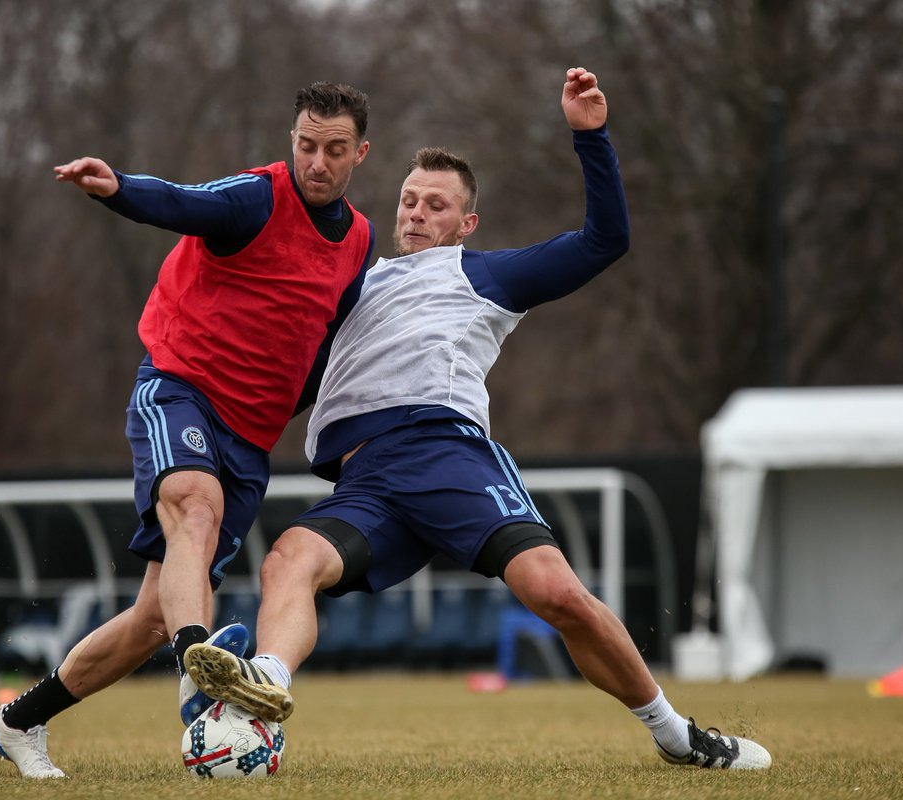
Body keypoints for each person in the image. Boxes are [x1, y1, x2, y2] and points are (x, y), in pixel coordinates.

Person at [184, 67, 771, 770]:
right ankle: (267, 690)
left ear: (466, 224)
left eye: (436, 204)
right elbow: (290, 380)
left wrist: (592, 137)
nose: (417, 212)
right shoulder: (351, 283)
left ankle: (677, 735)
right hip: (366, 480)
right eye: (408, 199)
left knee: (556, 595)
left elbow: (603, 242)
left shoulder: (482, 275)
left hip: (447, 459)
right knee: (289, 560)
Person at [0, 82, 376, 778]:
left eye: (335, 150)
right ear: (293, 143)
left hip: (250, 438)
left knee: (149, 620)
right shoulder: (258, 197)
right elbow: (185, 202)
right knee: (196, 504)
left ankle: (19, 721)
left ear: (360, 154)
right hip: (181, 385)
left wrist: (329, 418)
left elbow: (328, 350)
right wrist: (118, 188)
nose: (318, 161)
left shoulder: (360, 242)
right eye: (307, 145)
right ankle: (198, 669)